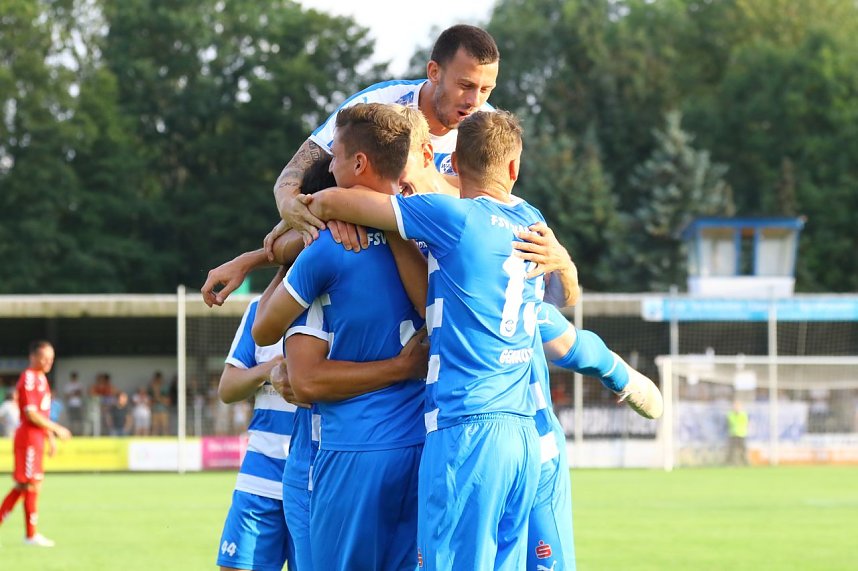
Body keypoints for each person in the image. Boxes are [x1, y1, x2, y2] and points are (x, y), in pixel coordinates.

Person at [252, 104, 429, 571]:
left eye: (336, 156)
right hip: (423, 444)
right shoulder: (432, 235)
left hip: (353, 450)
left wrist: (285, 257)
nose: (329, 166)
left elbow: (263, 330)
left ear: (358, 165)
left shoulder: (329, 245)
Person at [265, 24, 499, 257]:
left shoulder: (488, 128)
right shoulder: (376, 104)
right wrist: (291, 207)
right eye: (465, 85)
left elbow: (496, 202)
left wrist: (531, 232)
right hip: (364, 245)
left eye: (486, 89)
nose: (474, 101)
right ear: (434, 72)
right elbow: (295, 171)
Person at [215, 296, 294, 571]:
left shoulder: (339, 300)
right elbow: (227, 388)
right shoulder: (259, 308)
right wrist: (268, 370)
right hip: (260, 475)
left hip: (317, 479)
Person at [0, 341, 71, 547]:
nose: (49, 362)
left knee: (28, 484)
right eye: (45, 358)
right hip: (28, 438)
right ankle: (31, 535)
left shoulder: (42, 379)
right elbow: (31, 414)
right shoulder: (29, 377)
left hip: (38, 438)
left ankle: (31, 535)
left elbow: (42, 413)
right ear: (33, 357)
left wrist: (49, 437)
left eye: (51, 358)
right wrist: (56, 429)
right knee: (30, 484)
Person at [726, 400, 749, 465]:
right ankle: (730, 463)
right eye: (735, 406)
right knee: (731, 451)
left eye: (737, 406)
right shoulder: (730, 414)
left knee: (743, 450)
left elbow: (744, 423)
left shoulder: (743, 414)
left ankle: (745, 463)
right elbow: (730, 422)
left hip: (741, 434)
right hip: (733, 434)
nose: (736, 407)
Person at [63, 371, 85, 435]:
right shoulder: (68, 385)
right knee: (71, 420)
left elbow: (81, 393)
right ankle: (72, 433)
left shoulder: (79, 384)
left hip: (78, 405)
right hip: (71, 405)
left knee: (79, 420)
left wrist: (73, 393)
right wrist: (73, 393)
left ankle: (79, 433)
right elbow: (66, 396)